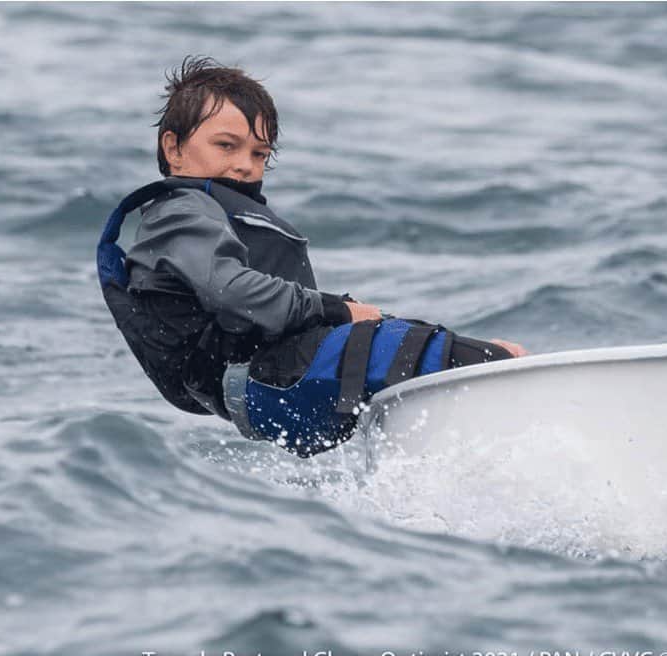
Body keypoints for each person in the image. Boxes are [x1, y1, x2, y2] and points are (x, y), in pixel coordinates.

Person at [97, 56, 526, 455]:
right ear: (173, 149)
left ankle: (478, 428)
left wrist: (346, 313)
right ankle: (508, 370)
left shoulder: (217, 212)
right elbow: (231, 291)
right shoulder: (181, 210)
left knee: (397, 341)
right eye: (226, 146)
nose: (245, 165)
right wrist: (336, 309)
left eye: (259, 154)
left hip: (273, 382)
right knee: (406, 347)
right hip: (263, 379)